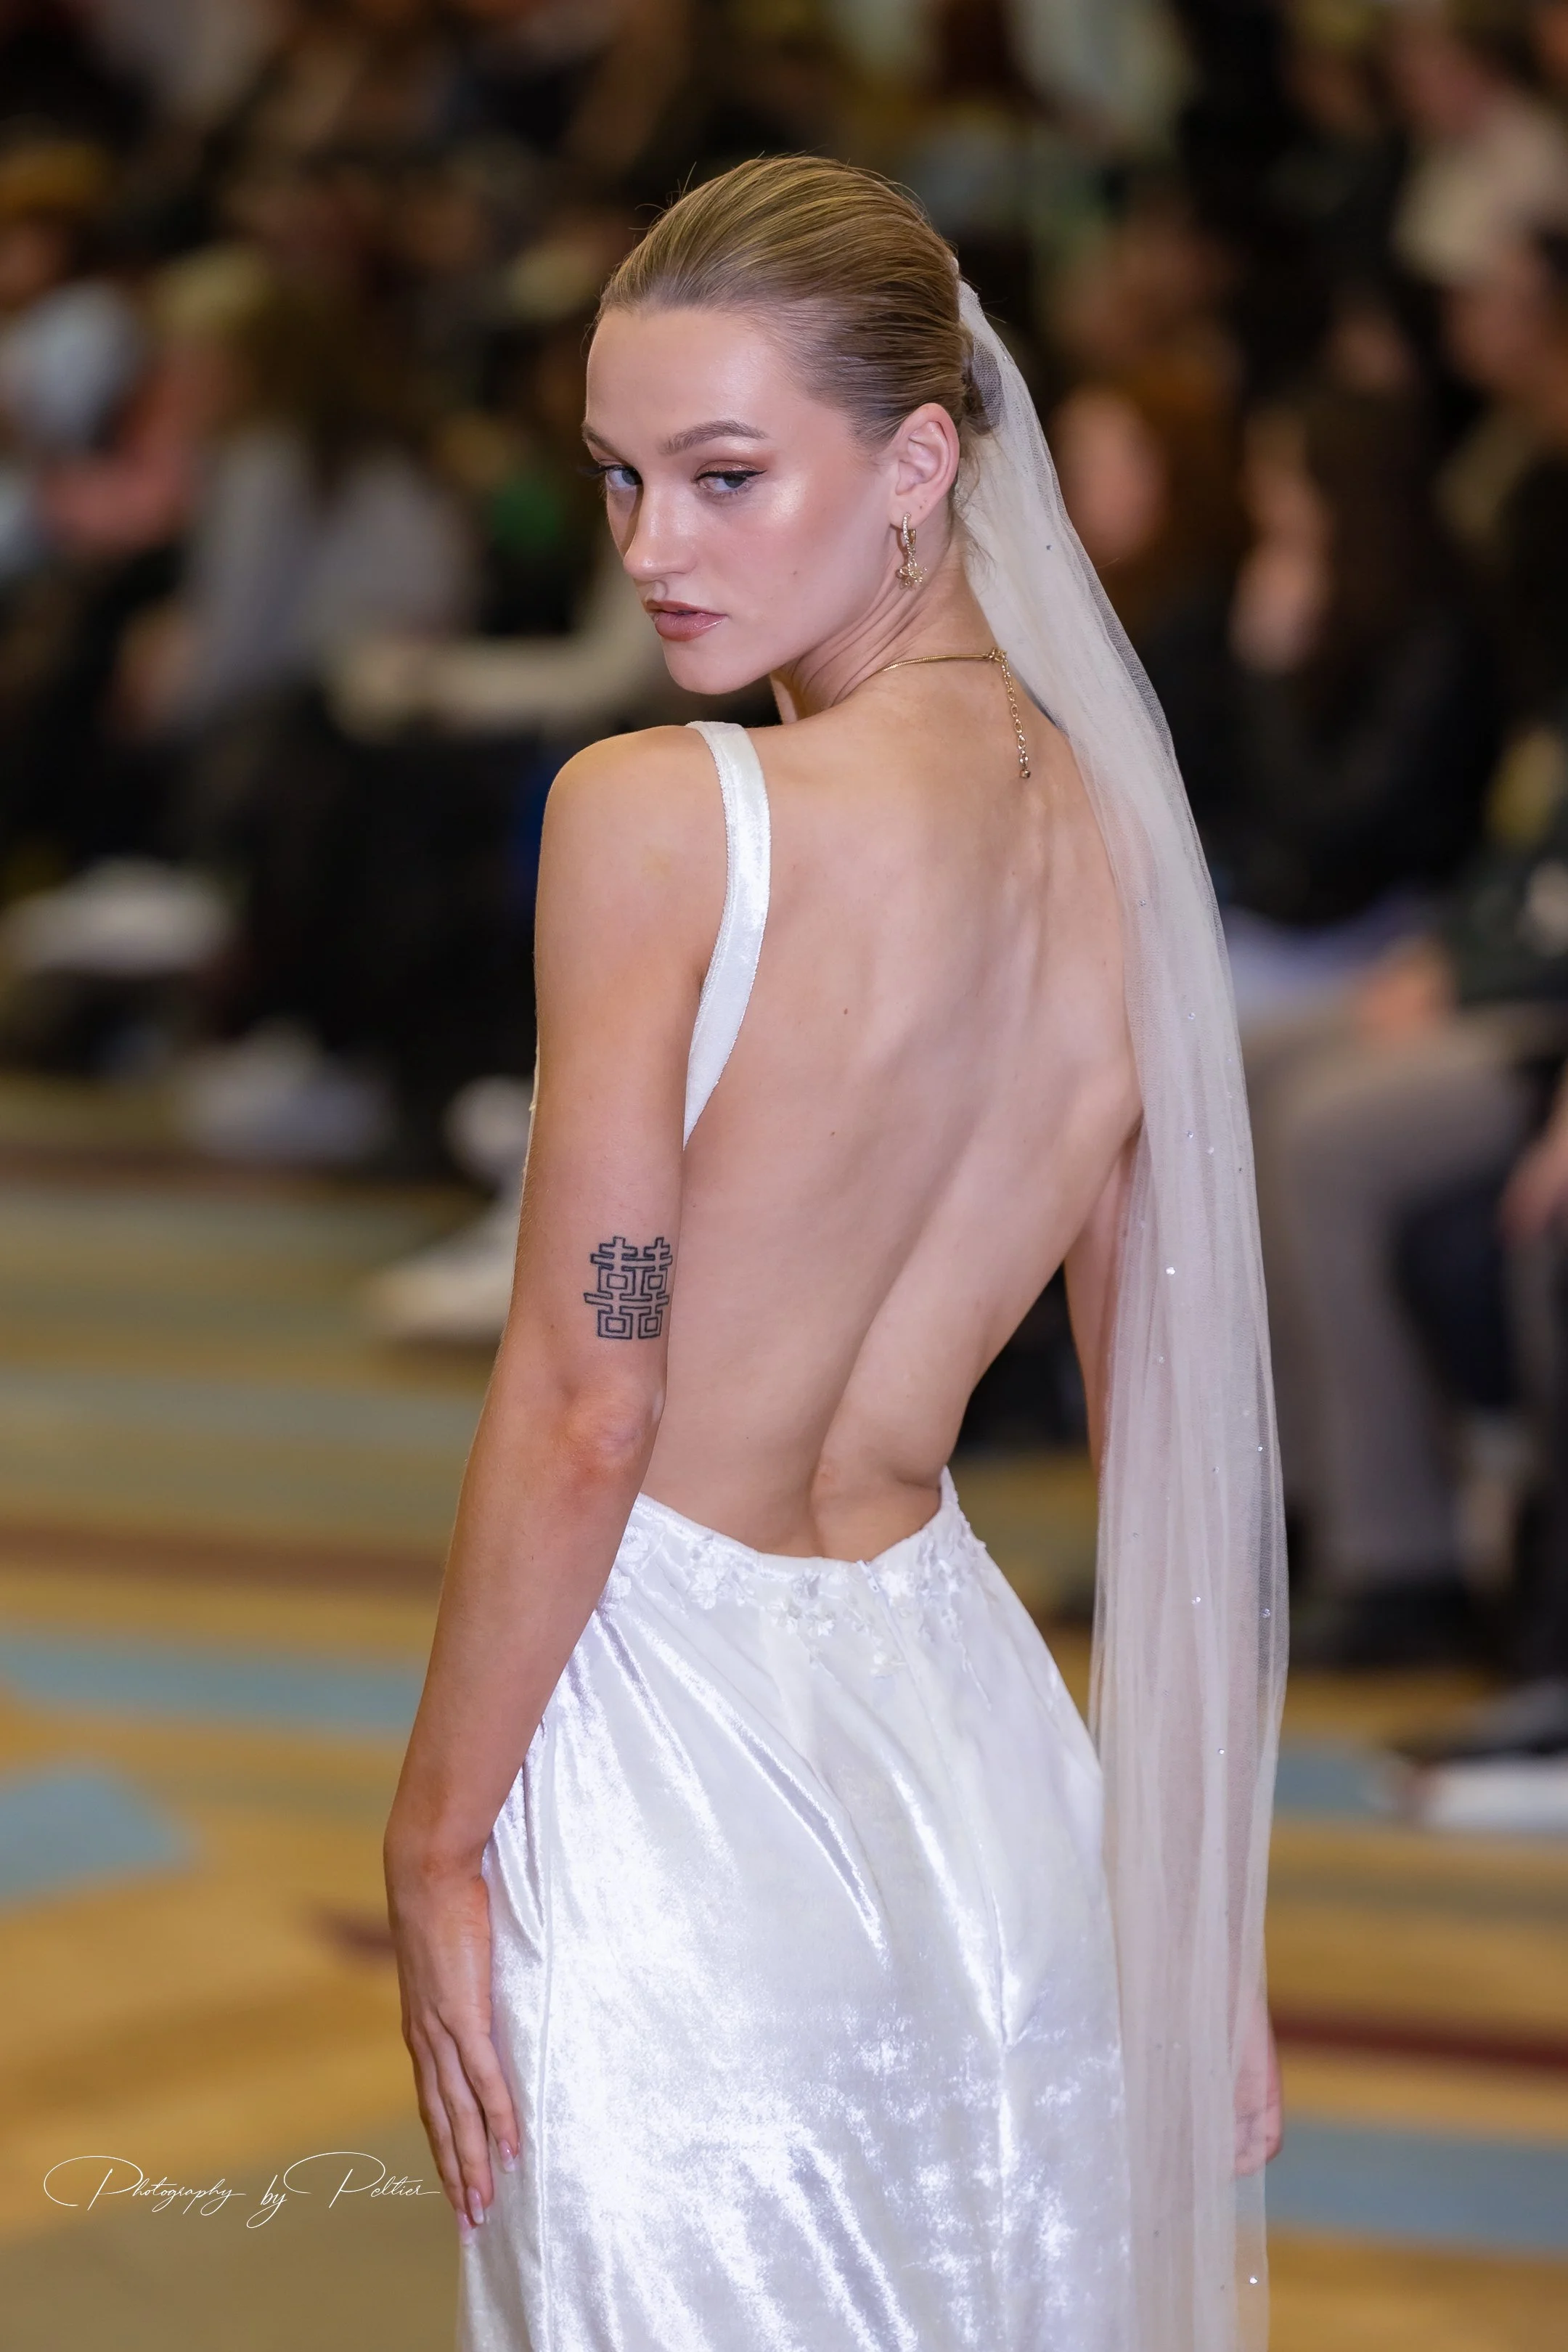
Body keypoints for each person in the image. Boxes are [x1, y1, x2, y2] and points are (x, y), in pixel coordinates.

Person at [383, 156, 1285, 2352]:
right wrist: (1203, 1928)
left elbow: (593, 1397)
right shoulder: (1126, 846)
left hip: (672, 1731)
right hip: (983, 1762)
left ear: (917, 465)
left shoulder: (660, 815)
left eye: (724, 476)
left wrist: (433, 1836)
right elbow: (1178, 1430)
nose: (651, 550)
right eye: (619, 478)